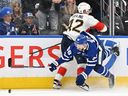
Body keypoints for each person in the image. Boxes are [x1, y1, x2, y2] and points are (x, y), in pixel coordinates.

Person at [51, 2, 107, 89]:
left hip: (65, 38)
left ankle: (56, 81)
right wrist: (92, 27)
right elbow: (103, 28)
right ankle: (81, 82)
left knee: (66, 60)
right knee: (82, 63)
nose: (89, 12)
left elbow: (80, 28)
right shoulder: (89, 18)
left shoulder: (73, 16)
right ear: (85, 10)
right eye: (88, 10)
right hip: (77, 43)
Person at [48, 33, 120, 91]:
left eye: (79, 45)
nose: (77, 46)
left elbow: (90, 66)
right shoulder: (74, 47)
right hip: (87, 48)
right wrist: (56, 63)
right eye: (76, 44)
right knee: (83, 56)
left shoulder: (92, 49)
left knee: (97, 66)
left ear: (85, 44)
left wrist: (83, 76)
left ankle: (111, 76)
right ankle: (114, 50)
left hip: (97, 46)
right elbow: (65, 57)